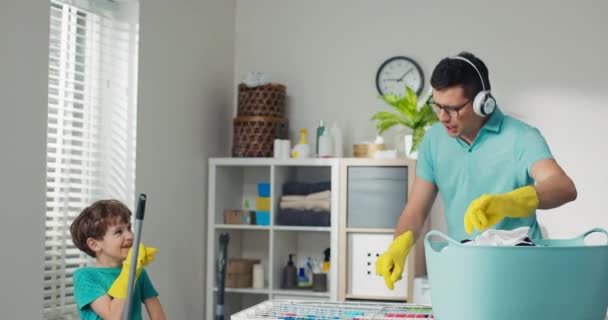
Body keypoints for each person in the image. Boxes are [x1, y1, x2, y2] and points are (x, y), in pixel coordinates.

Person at [375, 51, 577, 290]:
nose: (442, 117)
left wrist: (511, 201)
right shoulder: (434, 140)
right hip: (465, 268)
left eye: (452, 108)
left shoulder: (521, 137)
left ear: (483, 102)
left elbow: (564, 187)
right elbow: (416, 209)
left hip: (521, 270)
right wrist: (401, 243)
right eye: (437, 106)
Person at [70, 199, 166, 319]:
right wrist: (129, 270)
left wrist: (133, 270)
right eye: (118, 232)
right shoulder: (86, 277)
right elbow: (113, 316)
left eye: (129, 228)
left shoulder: (139, 273)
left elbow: (159, 316)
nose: (130, 236)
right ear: (94, 244)